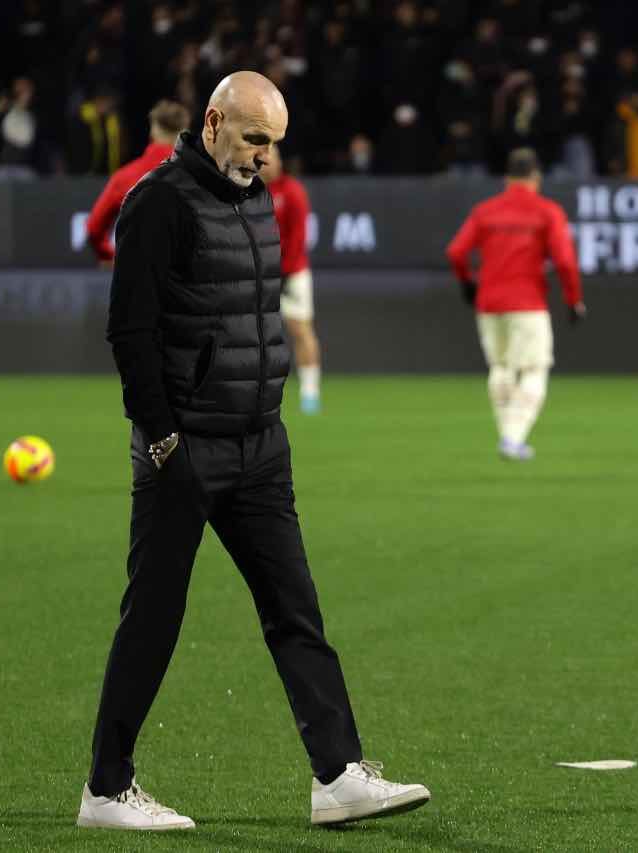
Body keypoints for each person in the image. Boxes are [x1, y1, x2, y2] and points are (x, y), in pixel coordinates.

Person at [79, 71, 430, 831]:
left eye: (273, 143)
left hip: (260, 447)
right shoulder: (158, 202)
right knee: (154, 618)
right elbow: (130, 333)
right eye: (253, 139)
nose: (264, 155)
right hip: (185, 449)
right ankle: (106, 790)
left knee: (295, 609)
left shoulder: (257, 197)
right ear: (212, 124)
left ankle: (337, 775)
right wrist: (163, 439)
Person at [445, 148, 585, 461]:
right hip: (527, 303)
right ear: (536, 178)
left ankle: (509, 437)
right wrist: (574, 300)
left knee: (500, 368)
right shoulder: (547, 211)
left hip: (489, 303)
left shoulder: (485, 211)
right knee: (534, 369)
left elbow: (456, 252)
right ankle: (512, 439)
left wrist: (467, 283)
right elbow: (565, 261)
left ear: (506, 179)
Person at [85, 99, 190, 265]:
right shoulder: (201, 176)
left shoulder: (124, 177)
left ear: (153, 130)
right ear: (185, 132)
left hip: (138, 271)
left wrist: (111, 256)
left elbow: (93, 228)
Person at [263, 142, 322, 413]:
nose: (266, 162)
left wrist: (285, 272)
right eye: (263, 158)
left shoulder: (292, 191)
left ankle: (310, 392)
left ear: (279, 162)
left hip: (292, 273)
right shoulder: (251, 192)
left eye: (271, 157)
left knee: (300, 329)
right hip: (261, 274)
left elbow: (299, 237)